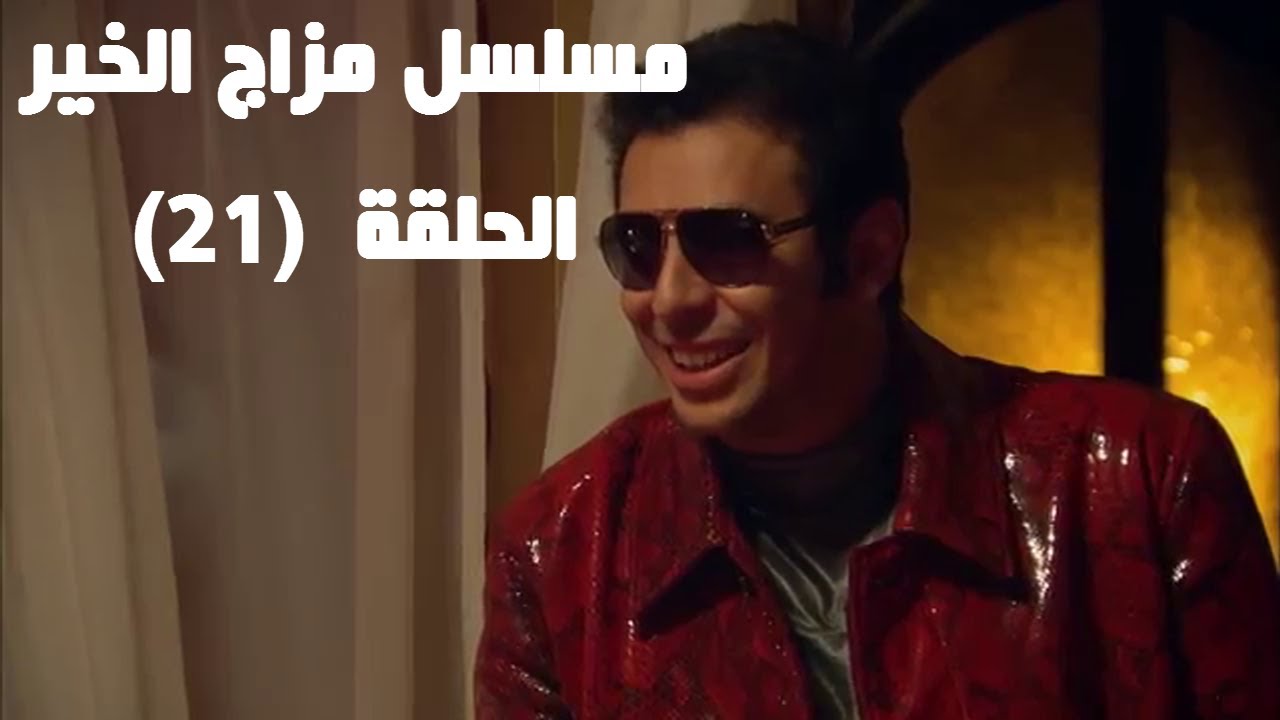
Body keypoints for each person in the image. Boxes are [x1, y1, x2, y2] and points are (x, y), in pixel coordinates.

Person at [474, 21, 1280, 720]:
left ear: (867, 255)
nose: (670, 299)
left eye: (728, 241)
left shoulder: (1140, 480)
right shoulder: (561, 547)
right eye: (639, 246)